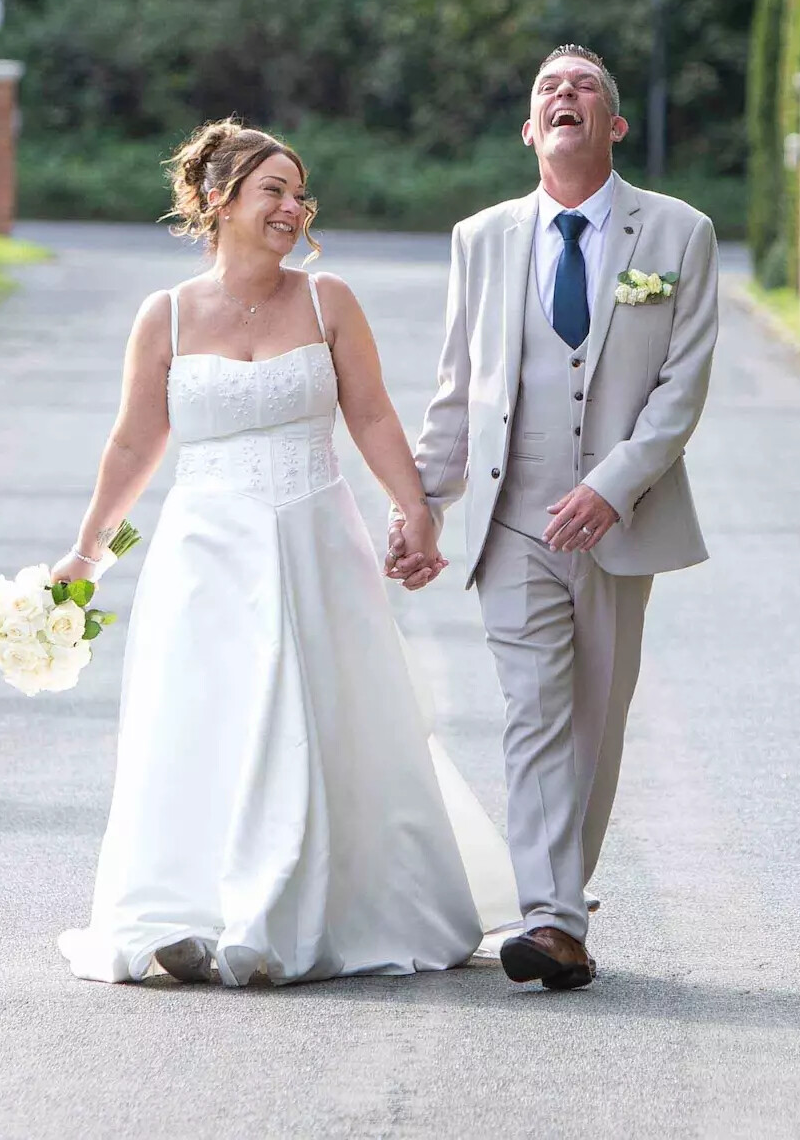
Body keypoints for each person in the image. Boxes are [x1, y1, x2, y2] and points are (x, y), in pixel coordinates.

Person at [56, 120, 514, 986]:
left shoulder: (327, 299)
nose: (292, 207)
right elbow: (134, 445)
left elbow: (372, 414)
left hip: (314, 540)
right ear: (219, 200)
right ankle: (192, 904)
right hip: (206, 553)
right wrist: (88, 555)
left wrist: (413, 508)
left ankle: (318, 905)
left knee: (318, 720)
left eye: (299, 192)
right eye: (273, 189)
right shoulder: (167, 317)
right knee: (208, 719)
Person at [389, 45, 720, 992]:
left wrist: (613, 484)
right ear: (531, 131)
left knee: (595, 723)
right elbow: (457, 389)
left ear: (613, 127)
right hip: (512, 521)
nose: (563, 96)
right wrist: (423, 505)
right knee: (533, 712)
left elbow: (679, 391)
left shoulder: (679, 234)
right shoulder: (481, 237)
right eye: (547, 90)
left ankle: (558, 901)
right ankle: (552, 919)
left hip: (620, 520)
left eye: (584, 88)